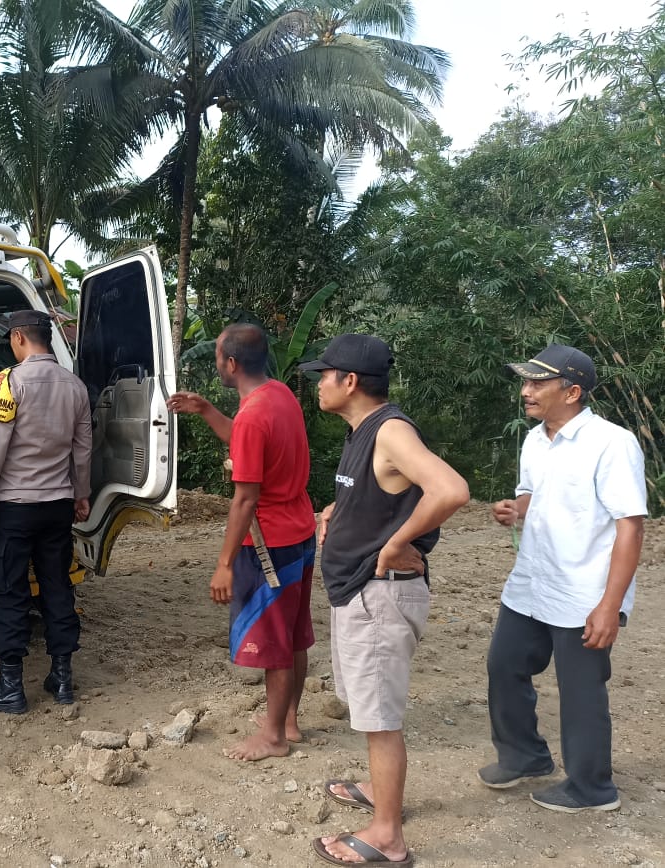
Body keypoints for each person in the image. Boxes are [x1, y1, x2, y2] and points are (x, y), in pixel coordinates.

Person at [299, 334, 469, 868]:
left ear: (350, 381)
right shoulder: (363, 430)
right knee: (369, 710)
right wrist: (339, 509)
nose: (319, 384)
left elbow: (451, 489)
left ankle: (387, 837)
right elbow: (382, 491)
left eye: (325, 375)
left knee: (380, 720)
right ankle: (380, 792)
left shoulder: (390, 430)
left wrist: (397, 543)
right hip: (360, 592)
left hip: (380, 597)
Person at [479, 344, 645, 813]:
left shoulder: (612, 443)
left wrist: (610, 605)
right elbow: (532, 494)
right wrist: (515, 509)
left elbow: (630, 527)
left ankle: (592, 789)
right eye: (526, 381)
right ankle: (525, 757)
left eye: (538, 382)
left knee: (580, 690)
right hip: (532, 582)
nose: (526, 390)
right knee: (504, 665)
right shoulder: (535, 440)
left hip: (584, 592)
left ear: (572, 392)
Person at [168, 323, 317, 761]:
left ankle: (272, 738)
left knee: (273, 641)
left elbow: (245, 499)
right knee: (294, 634)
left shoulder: (253, 416)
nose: (217, 362)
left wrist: (224, 563)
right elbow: (248, 438)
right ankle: (288, 721)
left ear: (231, 364)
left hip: (270, 543)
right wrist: (206, 409)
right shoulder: (279, 395)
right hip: (300, 530)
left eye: (218, 355)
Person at [0, 309, 92, 714]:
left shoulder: (9, 381)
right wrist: (81, 494)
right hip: (57, 507)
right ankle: (62, 678)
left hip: (14, 508)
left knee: (10, 592)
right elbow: (82, 449)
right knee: (57, 587)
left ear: (19, 337)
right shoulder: (75, 386)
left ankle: (10, 686)